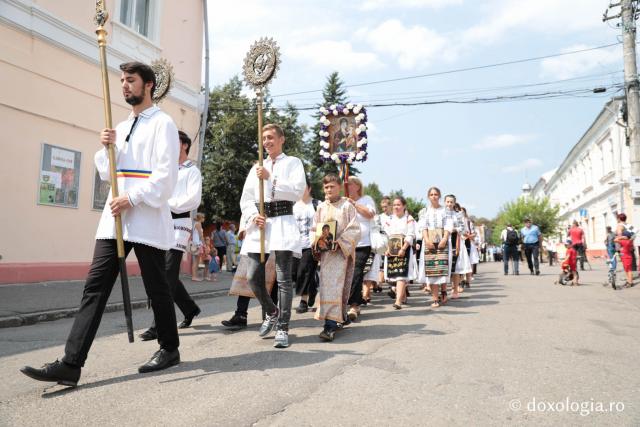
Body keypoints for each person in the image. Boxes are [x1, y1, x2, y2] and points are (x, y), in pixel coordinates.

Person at [20, 62, 181, 386]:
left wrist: (133, 198)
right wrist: (106, 147)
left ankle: (169, 348)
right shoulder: (119, 127)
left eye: (130, 80)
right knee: (95, 287)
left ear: (148, 85)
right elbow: (108, 173)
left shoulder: (163, 124)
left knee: (156, 287)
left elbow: (166, 179)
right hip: (116, 217)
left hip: (146, 216)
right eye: (121, 80)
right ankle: (71, 363)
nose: (124, 85)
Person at [239, 123, 306, 348]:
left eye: (270, 137)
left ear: (281, 139)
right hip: (261, 225)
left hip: (283, 222)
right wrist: (252, 215)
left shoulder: (292, 162)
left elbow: (297, 192)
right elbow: (246, 197)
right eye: (264, 138)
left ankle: (283, 327)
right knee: (252, 277)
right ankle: (271, 310)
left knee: (284, 278)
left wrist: (271, 178)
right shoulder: (257, 166)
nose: (266, 142)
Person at [139, 130, 202, 341]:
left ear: (184, 145)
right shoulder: (164, 169)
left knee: (167, 273)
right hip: (159, 222)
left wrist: (168, 204)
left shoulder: (192, 171)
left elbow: (192, 200)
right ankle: (189, 308)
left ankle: (158, 325)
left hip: (179, 223)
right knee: (165, 274)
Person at [314, 174, 361, 341]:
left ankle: (330, 326)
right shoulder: (320, 207)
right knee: (328, 288)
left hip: (341, 254)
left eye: (332, 186)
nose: (328, 190)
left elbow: (355, 229)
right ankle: (339, 317)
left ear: (339, 187)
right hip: (326, 255)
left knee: (335, 287)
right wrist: (318, 242)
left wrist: (339, 242)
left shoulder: (347, 206)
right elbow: (315, 229)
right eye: (326, 187)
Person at [345, 176, 376, 321]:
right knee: (348, 274)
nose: (348, 186)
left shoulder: (366, 199)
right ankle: (353, 303)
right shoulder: (343, 200)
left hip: (362, 244)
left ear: (357, 186)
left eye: (350, 184)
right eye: (346, 184)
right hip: (346, 243)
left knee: (356, 273)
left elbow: (370, 214)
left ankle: (353, 305)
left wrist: (354, 204)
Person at [418, 187, 453, 307]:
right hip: (429, 242)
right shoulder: (424, 211)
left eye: (436, 194)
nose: (434, 196)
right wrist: (427, 240)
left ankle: (443, 291)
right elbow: (423, 227)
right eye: (431, 194)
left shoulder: (446, 210)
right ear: (428, 196)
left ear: (439, 196)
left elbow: (448, 226)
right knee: (432, 270)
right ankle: (434, 299)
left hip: (443, 241)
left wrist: (444, 239)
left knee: (442, 268)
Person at [383, 197, 417, 309]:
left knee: (401, 275)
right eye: (394, 205)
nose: (396, 207)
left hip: (404, 247)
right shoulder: (390, 219)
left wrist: (403, 248)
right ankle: (402, 296)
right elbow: (386, 235)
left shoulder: (409, 218)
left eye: (398, 205)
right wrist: (387, 249)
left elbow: (411, 234)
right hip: (392, 248)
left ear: (404, 206)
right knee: (394, 274)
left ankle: (398, 301)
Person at [292, 178, 319, 313]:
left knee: (304, 271)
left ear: (309, 188)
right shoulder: (293, 206)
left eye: (303, 187)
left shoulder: (317, 204)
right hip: (295, 245)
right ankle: (312, 288)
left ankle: (303, 301)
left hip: (311, 244)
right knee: (295, 273)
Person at [444, 195, 463, 297]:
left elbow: (462, 228)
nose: (449, 204)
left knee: (455, 267)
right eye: (447, 202)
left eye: (451, 202)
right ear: (444, 202)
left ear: (454, 203)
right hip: (443, 241)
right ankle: (443, 291)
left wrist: (453, 229)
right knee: (443, 266)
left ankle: (455, 290)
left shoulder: (458, 214)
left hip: (455, 240)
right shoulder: (441, 213)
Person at [191, 212, 205, 281]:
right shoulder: (198, 224)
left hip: (196, 243)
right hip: (197, 244)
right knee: (196, 261)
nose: (204, 219)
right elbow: (200, 235)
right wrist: (204, 244)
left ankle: (195, 276)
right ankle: (194, 276)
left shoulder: (196, 224)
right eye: (203, 217)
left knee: (196, 261)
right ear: (200, 218)